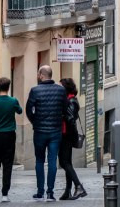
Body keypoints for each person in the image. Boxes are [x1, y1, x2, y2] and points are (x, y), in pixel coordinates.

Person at [25, 65, 70, 201]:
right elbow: (66, 107)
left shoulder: (35, 90)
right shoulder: (61, 90)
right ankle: (50, 193)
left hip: (39, 131)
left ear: (41, 75)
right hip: (55, 131)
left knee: (39, 160)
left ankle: (40, 192)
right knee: (52, 161)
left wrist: (35, 122)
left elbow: (28, 109)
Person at [58, 79, 86, 200]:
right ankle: (68, 191)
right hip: (67, 134)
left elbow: (70, 119)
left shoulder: (70, 101)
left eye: (60, 86)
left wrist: (62, 115)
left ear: (65, 88)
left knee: (64, 162)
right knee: (67, 162)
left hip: (66, 135)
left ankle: (78, 186)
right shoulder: (70, 99)